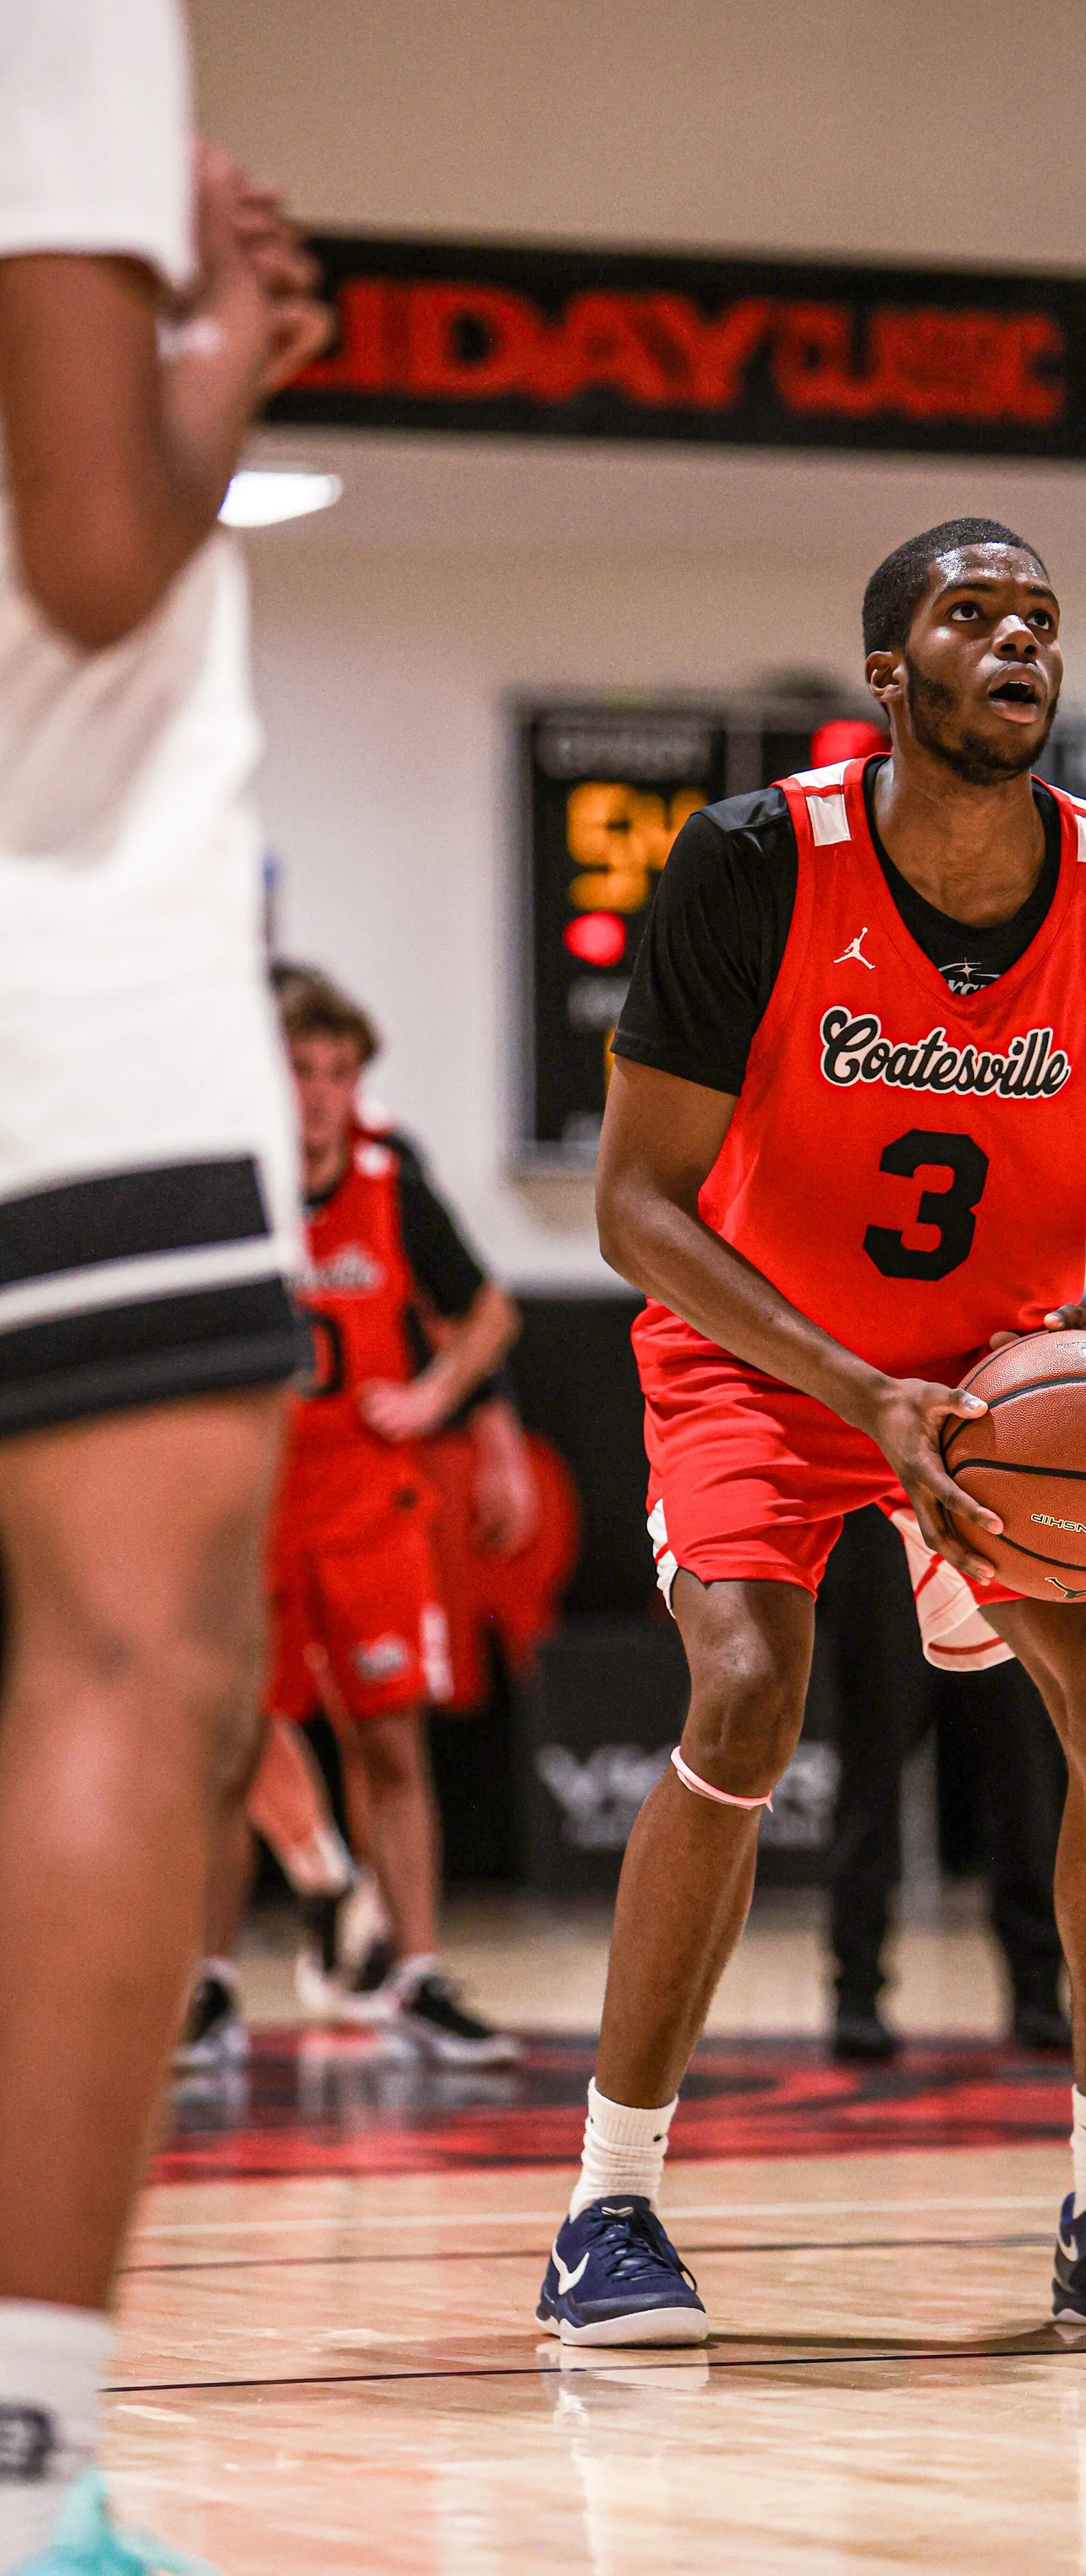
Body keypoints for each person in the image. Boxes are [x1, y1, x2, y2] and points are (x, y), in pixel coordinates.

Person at [535, 517, 1086, 2346]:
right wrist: (865, 1397)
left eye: (1040, 618)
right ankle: (605, 2207)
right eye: (969, 613)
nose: (1014, 637)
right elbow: (635, 1201)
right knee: (746, 1688)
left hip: (999, 1379)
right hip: (764, 1352)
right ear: (891, 674)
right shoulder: (753, 864)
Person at [0, 6, 328, 2562]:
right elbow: (97, 542)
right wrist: (220, 357)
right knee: (135, 1656)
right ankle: (21, 2467)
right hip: (58, 914)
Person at [188, 971, 523, 2066]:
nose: (323, 1094)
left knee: (390, 1740)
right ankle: (208, 1981)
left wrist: (433, 1398)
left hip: (371, 1504)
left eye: (341, 1072)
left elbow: (490, 1312)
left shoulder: (392, 1185)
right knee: (232, 1747)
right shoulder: (229, 1188)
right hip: (255, 1509)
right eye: (302, 1069)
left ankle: (413, 1972)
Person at [819, 1503, 1071, 2061]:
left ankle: (1039, 1993)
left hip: (994, 1513)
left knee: (1024, 1773)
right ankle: (855, 1995)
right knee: (871, 1773)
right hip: (883, 1508)